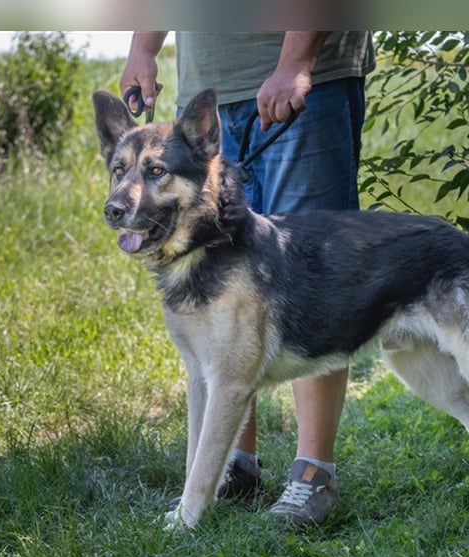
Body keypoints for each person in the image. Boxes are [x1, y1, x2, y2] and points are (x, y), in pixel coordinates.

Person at [119, 31, 375, 527]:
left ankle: (312, 474)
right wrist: (143, 47)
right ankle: (235, 466)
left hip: (299, 81)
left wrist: (297, 59)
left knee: (311, 280)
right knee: (227, 296)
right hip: (211, 94)